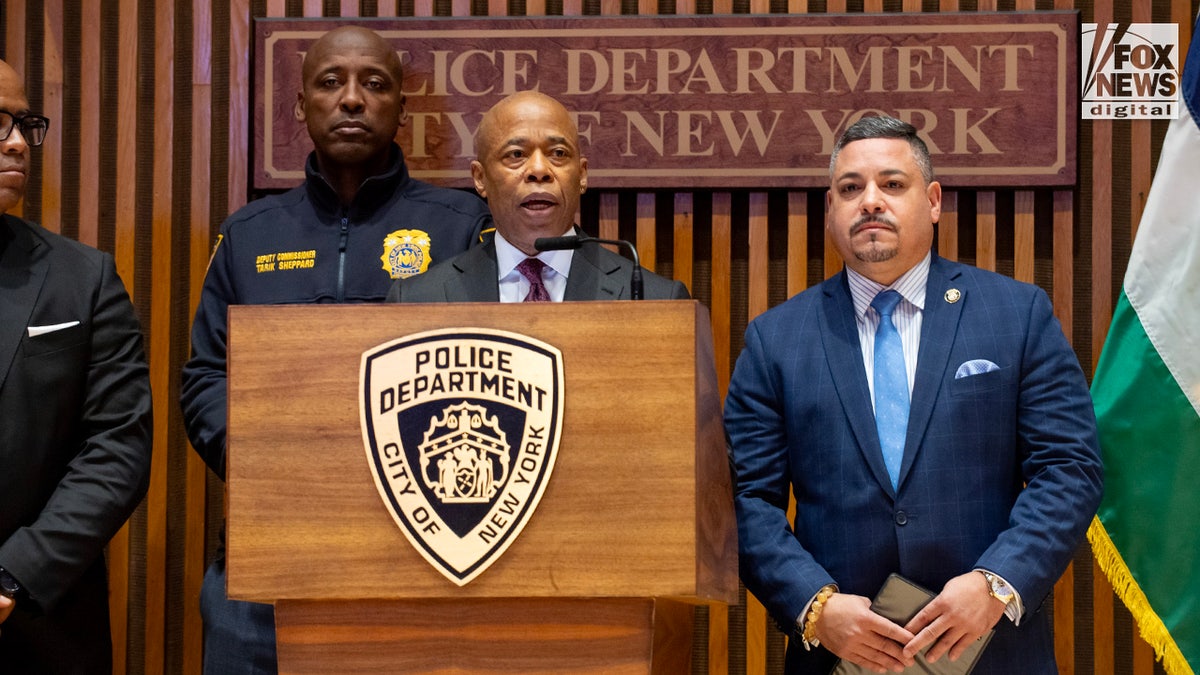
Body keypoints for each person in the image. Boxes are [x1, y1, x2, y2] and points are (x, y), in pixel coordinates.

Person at [723, 116, 1103, 674]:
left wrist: (995, 584)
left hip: (991, 650)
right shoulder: (776, 339)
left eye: (892, 185)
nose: (870, 201)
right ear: (831, 209)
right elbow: (746, 501)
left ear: (932, 201)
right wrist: (816, 606)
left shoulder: (1015, 315)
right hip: (842, 656)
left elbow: (1069, 469)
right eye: (851, 189)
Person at [180, 26, 489, 673]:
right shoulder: (247, 234)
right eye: (331, 83)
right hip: (268, 566)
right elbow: (206, 372)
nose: (352, 99)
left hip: (424, 561)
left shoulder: (463, 228)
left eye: (374, 85)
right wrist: (250, 449)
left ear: (402, 109)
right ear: (300, 106)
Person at [0, 58, 153, 673]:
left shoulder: (82, 279)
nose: (16, 141)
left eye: (24, 123)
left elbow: (116, 446)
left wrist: (12, 578)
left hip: (38, 625)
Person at [387, 90, 688, 302]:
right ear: (480, 178)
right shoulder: (420, 299)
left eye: (558, 154)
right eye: (516, 155)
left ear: (582, 175)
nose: (539, 170)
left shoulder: (655, 298)